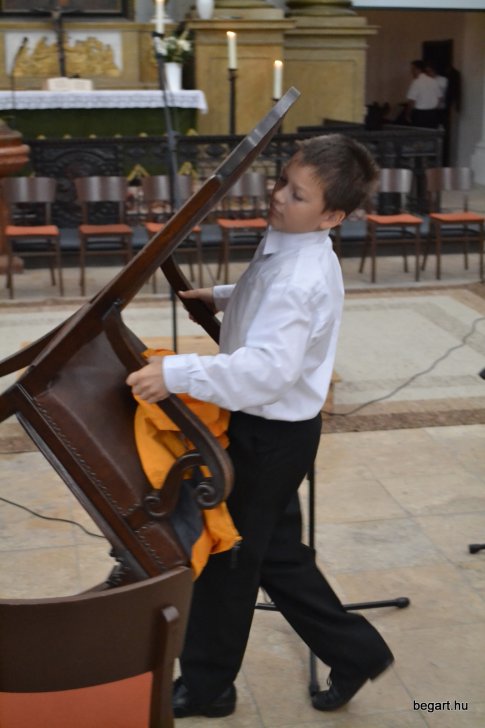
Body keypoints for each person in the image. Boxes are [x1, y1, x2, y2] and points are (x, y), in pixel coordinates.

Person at [126, 134, 395, 718]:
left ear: (331, 216)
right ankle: (357, 653)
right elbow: (269, 294)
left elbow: (266, 371)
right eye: (281, 182)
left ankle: (208, 687)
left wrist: (176, 372)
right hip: (280, 435)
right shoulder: (298, 249)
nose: (278, 197)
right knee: (276, 556)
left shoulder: (301, 277)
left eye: (297, 195)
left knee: (229, 558)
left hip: (267, 437)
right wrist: (226, 296)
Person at [405, 59, 440, 128]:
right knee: (431, 133)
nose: (411, 71)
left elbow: (411, 101)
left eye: (412, 69)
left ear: (418, 69)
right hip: (433, 114)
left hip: (420, 115)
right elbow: (439, 98)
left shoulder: (416, 82)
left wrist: (407, 115)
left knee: (419, 134)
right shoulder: (433, 81)